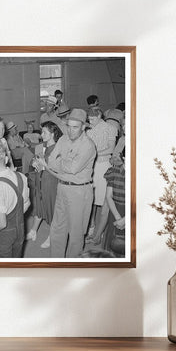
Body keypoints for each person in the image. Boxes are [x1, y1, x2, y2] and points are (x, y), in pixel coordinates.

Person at [44, 109, 96, 258]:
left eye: (75, 127)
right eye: (69, 126)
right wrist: (65, 162)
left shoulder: (88, 145)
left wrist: (60, 161)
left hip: (79, 191)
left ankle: (72, 266)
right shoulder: (62, 139)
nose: (71, 131)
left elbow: (73, 169)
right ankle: (57, 263)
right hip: (62, 187)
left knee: (76, 233)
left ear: (83, 127)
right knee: (57, 229)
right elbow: (50, 162)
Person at [0, 144, 30, 258]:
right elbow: (27, 203)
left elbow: (1, 223)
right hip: (19, 228)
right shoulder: (21, 176)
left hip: (3, 235)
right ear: (6, 159)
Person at [27, 121, 62, 248]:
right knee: (39, 206)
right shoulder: (42, 146)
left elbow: (58, 170)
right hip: (40, 181)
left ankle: (51, 236)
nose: (41, 135)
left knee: (52, 209)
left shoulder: (58, 148)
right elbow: (35, 159)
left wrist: (43, 165)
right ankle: (33, 231)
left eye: (44, 132)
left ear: (52, 134)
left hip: (51, 183)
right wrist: (34, 162)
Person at [86, 108, 118, 240]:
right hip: (91, 166)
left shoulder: (110, 128)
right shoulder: (88, 130)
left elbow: (111, 148)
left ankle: (101, 231)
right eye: (89, 119)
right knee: (91, 198)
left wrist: (93, 153)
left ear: (100, 116)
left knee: (106, 200)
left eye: (93, 119)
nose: (90, 121)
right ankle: (91, 226)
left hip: (104, 166)